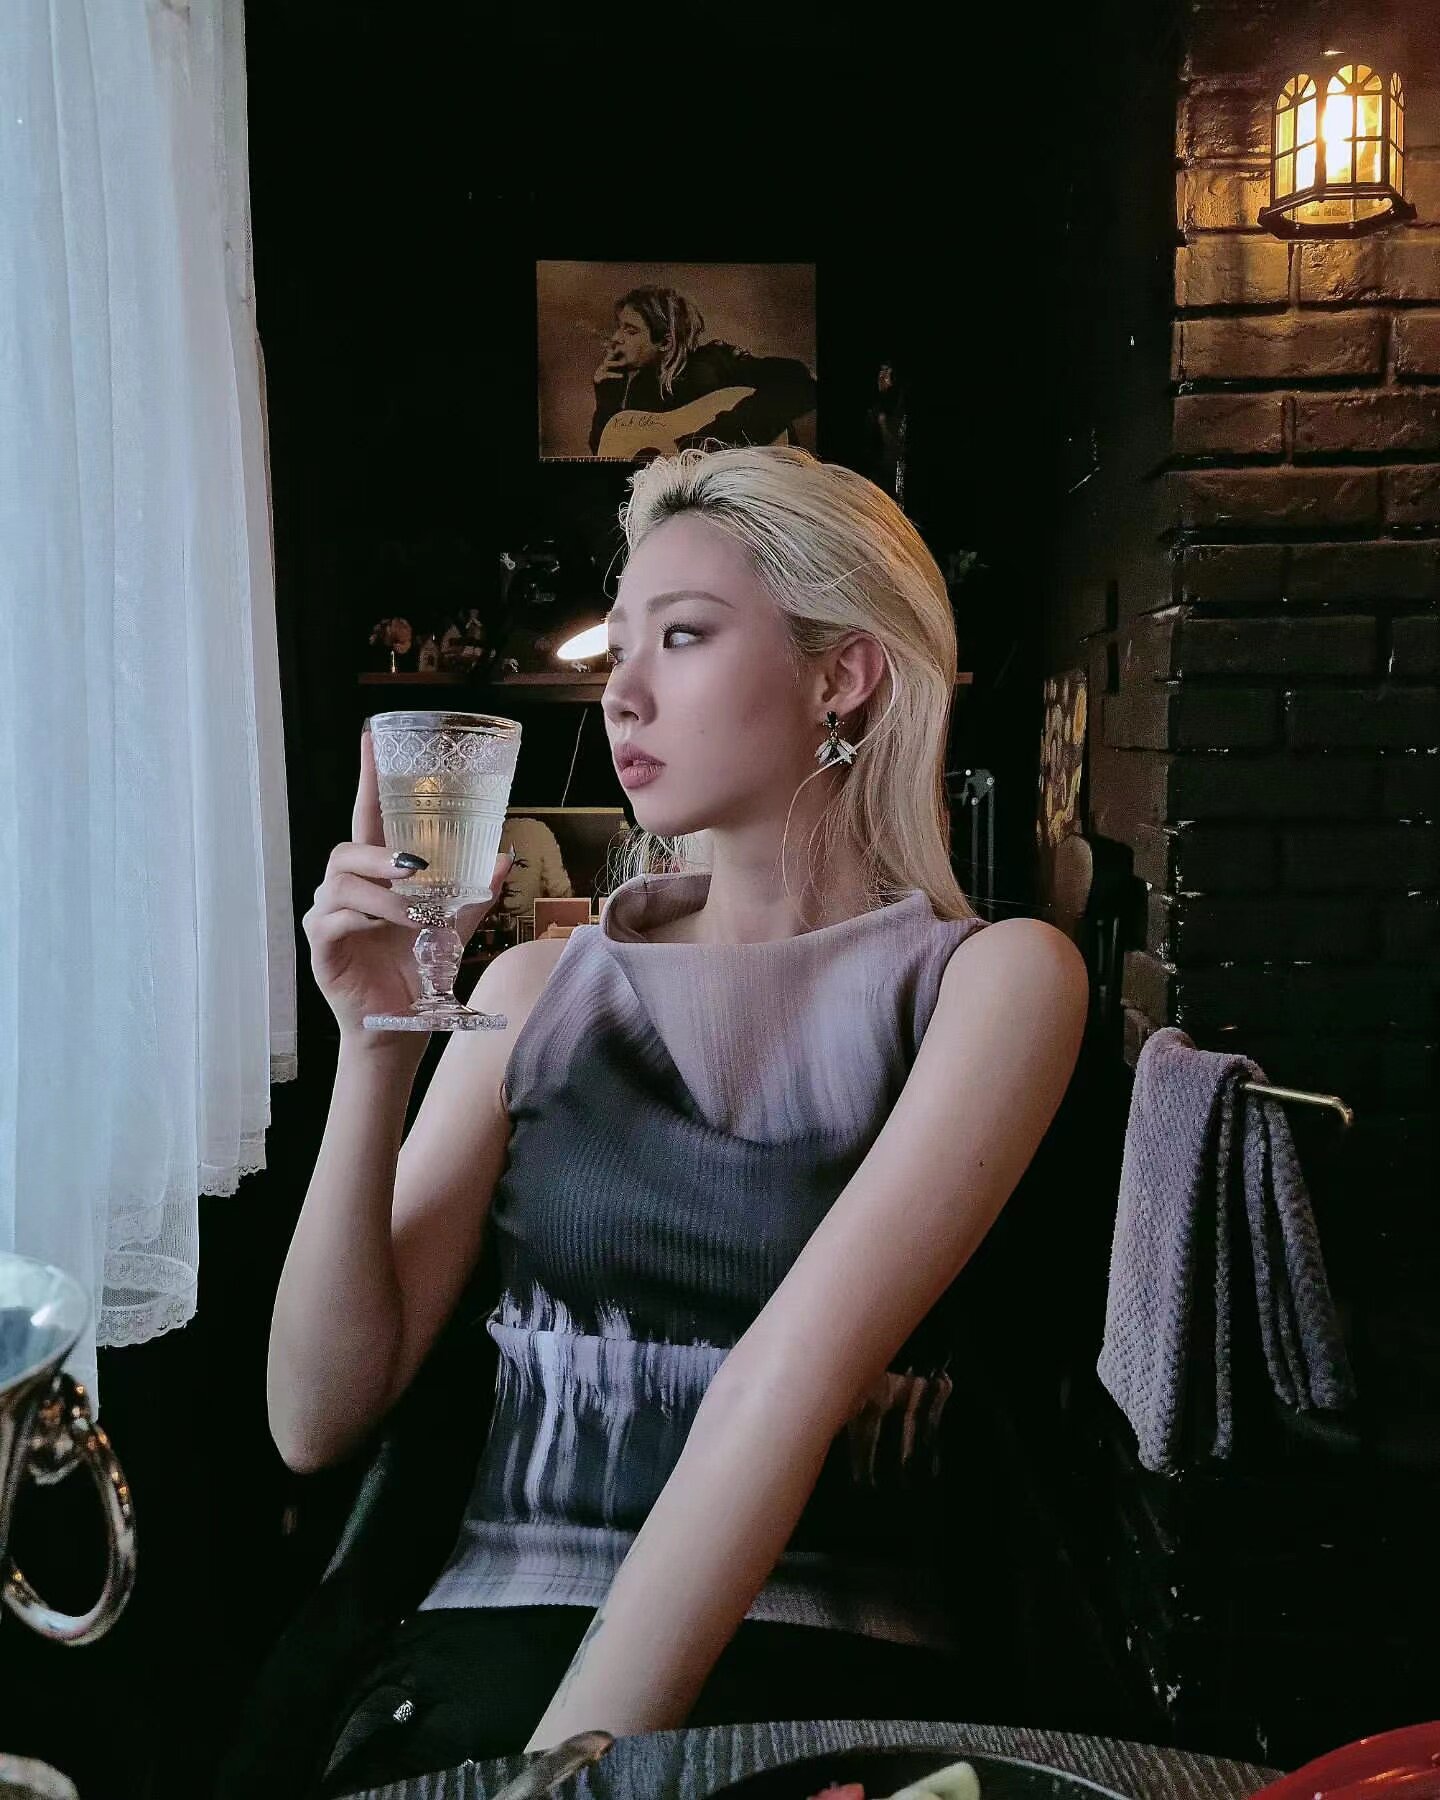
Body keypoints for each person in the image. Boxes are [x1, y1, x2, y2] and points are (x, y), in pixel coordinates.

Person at [249, 446, 1088, 1793]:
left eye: (683, 636)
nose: (621, 690)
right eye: (618, 644)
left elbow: (784, 1380)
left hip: (831, 1676)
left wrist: (564, 1775)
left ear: (841, 675)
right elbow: (314, 1417)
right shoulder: (533, 990)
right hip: (493, 1641)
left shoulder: (993, 982)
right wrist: (379, 1044)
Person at [588, 286, 817, 459]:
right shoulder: (642, 386)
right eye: (619, 327)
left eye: (630, 331)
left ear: (665, 342)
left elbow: (799, 380)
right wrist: (607, 396)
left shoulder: (715, 363)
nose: (616, 338)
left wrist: (706, 442)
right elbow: (610, 454)